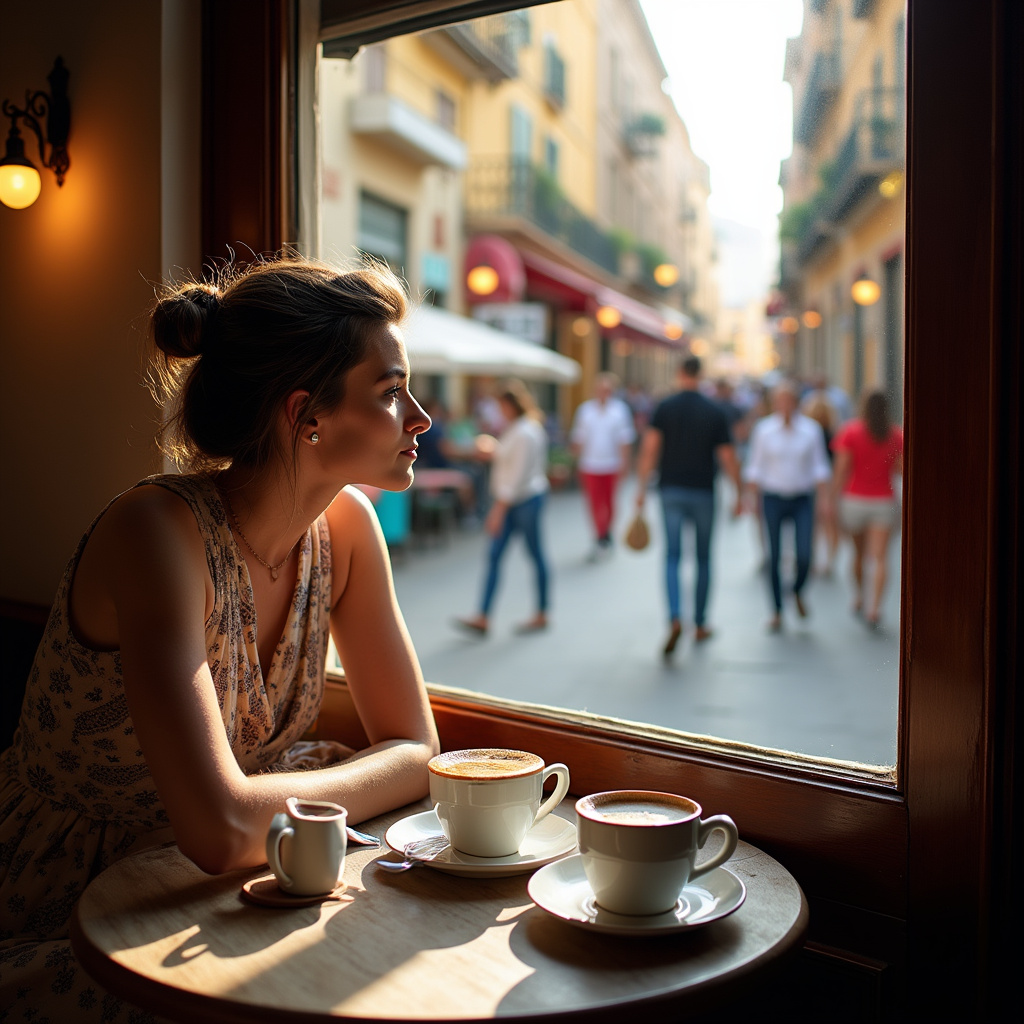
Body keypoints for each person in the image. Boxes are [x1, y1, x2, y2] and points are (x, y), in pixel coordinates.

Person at [0, 258, 440, 1018]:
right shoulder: (155, 532)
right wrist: (259, 815)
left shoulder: (349, 530)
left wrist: (253, 815)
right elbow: (219, 826)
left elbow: (417, 748)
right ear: (307, 414)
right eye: (391, 391)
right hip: (70, 896)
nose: (420, 418)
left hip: (228, 876)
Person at [633, 356, 743, 658]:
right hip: (704, 493)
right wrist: (739, 493)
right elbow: (728, 457)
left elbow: (649, 450)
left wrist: (641, 489)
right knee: (704, 559)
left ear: (680, 374)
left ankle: (674, 617)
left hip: (670, 491)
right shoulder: (714, 411)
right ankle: (701, 623)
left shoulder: (665, 407)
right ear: (701, 375)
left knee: (672, 557)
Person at [455, 380, 550, 636]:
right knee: (502, 556)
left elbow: (517, 476)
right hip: (520, 500)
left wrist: (498, 510)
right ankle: (484, 615)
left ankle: (539, 612)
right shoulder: (522, 429)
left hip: (521, 502)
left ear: (509, 405)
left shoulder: (523, 432)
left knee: (532, 555)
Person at [743, 379, 833, 632]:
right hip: (772, 497)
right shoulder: (763, 430)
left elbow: (820, 466)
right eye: (779, 401)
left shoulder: (811, 430)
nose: (784, 406)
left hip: (802, 498)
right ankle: (776, 610)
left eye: (788, 401)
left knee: (804, 554)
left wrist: (825, 499)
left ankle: (796, 590)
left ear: (795, 403)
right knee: (773, 555)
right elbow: (755, 467)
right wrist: (750, 499)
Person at [831, 390, 904, 628]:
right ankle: (875, 608)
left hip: (854, 500)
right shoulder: (895, 435)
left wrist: (831, 499)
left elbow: (842, 470)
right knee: (881, 558)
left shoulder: (850, 431)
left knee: (858, 555)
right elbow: (901, 470)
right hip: (883, 500)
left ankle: (860, 597)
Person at [569, 372, 636, 560]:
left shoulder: (620, 411)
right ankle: (600, 535)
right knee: (594, 503)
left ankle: (606, 533)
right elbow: (579, 438)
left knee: (610, 502)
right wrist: (572, 459)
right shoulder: (585, 411)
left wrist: (625, 463)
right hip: (590, 465)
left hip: (612, 465)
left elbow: (625, 440)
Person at [801, 390, 840, 576]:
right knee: (830, 524)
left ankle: (814, 559)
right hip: (830, 481)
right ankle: (830, 560)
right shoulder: (833, 434)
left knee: (814, 524)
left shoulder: (807, 433)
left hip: (811, 482)